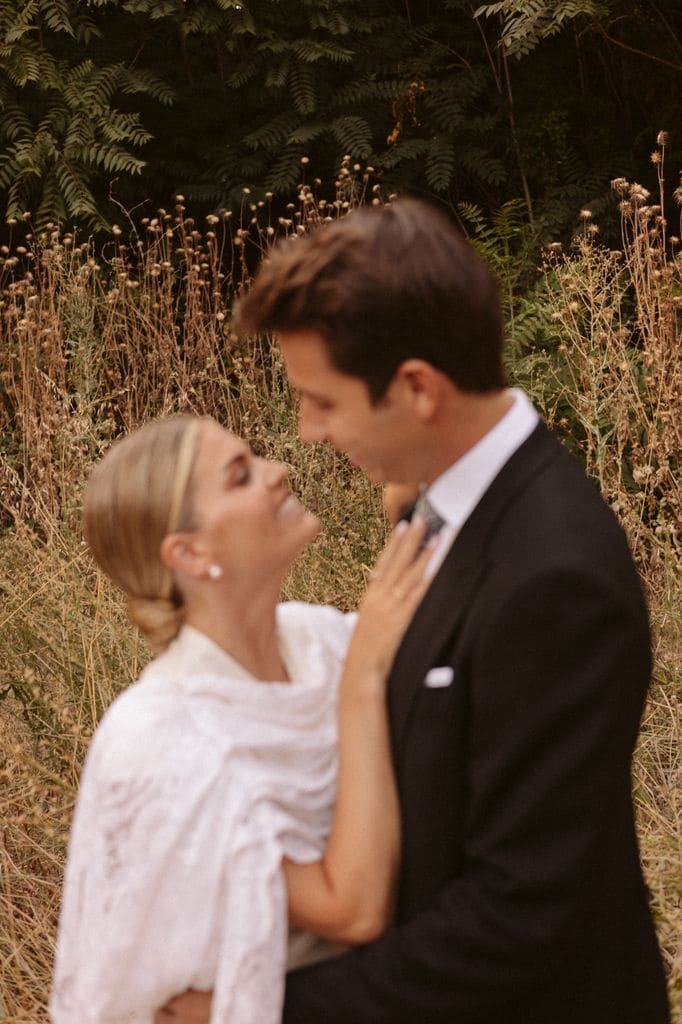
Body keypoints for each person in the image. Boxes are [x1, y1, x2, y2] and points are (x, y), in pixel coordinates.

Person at [159, 199, 670, 1023]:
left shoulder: (555, 579)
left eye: (321, 401)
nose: (307, 431)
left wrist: (257, 1012)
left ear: (417, 388)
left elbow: (518, 919)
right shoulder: (441, 510)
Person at [49, 414, 434, 1024]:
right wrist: (361, 684)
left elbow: (442, 636)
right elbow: (353, 909)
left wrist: (413, 507)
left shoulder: (314, 640)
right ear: (189, 552)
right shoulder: (167, 739)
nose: (278, 470)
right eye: (241, 475)